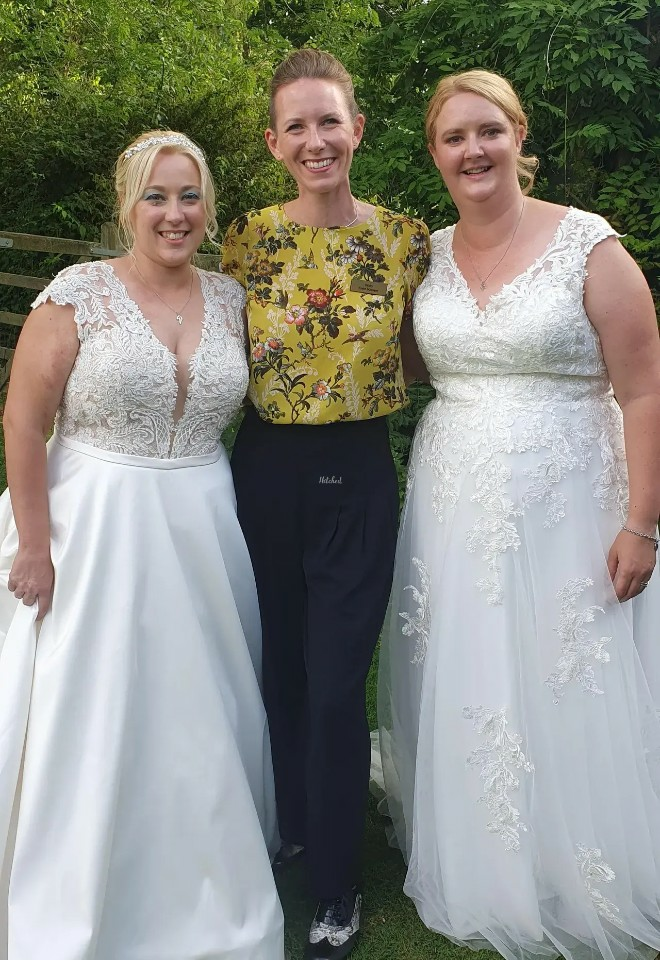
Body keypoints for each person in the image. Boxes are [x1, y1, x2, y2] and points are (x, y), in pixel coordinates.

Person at [378, 68, 660, 960]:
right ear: (435, 154)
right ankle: (486, 851)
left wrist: (643, 521)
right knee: (472, 670)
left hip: (573, 498)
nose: (474, 150)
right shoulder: (423, 253)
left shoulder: (590, 246)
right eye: (455, 138)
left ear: (518, 137)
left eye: (488, 131)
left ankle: (586, 853)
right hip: (454, 499)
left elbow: (644, 386)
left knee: (565, 672)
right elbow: (407, 360)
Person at [0, 130, 285, 959]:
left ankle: (203, 869)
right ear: (128, 204)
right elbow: (23, 421)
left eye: (189, 196)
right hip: (94, 524)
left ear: (209, 207)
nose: (174, 213)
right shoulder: (78, 294)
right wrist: (34, 544)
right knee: (98, 703)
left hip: (203, 522)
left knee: (203, 705)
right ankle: (80, 881)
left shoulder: (232, 298)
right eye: (157, 196)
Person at [221, 49, 430, 960]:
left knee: (341, 680)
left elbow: (426, 353)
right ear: (275, 143)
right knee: (283, 668)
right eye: (296, 126)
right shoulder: (244, 239)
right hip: (265, 466)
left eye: (329, 121)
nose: (316, 140)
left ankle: (336, 889)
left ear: (358, 128)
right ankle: (298, 823)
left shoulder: (407, 239)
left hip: (359, 466)